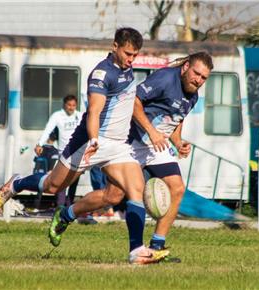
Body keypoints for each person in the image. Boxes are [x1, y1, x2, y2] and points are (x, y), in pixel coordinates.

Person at [0, 27, 169, 264]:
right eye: (128, 54)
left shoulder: (127, 70)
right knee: (54, 185)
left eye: (135, 55)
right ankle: (17, 183)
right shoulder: (101, 74)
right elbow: (94, 111)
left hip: (118, 146)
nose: (131, 59)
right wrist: (94, 139)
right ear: (114, 46)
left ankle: (136, 250)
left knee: (129, 190)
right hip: (89, 142)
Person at [53, 51, 213, 261]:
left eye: (203, 78)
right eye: (196, 74)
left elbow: (175, 119)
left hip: (155, 147)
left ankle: (156, 246)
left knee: (177, 188)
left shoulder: (193, 96)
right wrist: (152, 132)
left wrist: (178, 141)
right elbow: (134, 102)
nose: (198, 80)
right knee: (113, 196)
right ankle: (66, 214)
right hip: (132, 141)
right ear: (185, 67)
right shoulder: (165, 78)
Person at [35, 95, 82, 207]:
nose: (71, 108)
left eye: (74, 105)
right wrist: (40, 143)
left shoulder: (79, 116)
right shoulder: (57, 116)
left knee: (74, 181)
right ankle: (60, 207)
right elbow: (48, 129)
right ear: (64, 105)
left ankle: (70, 207)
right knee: (62, 181)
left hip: (78, 153)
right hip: (64, 153)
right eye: (69, 105)